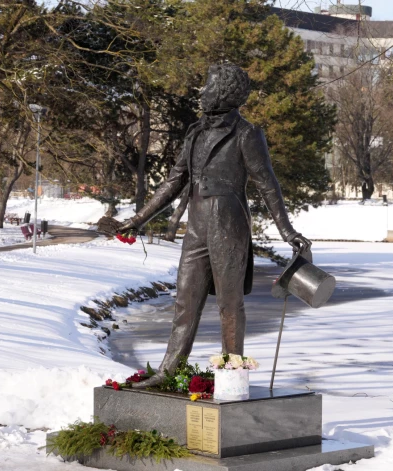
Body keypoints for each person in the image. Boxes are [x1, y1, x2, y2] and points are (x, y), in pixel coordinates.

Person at [110, 63, 311, 388]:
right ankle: (168, 370)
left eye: (208, 86)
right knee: (185, 301)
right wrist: (138, 219)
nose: (202, 92)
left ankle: (232, 377)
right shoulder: (196, 133)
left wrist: (286, 231)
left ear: (226, 92)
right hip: (197, 224)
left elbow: (267, 184)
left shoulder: (246, 134)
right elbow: (173, 182)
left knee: (229, 304)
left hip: (229, 223)